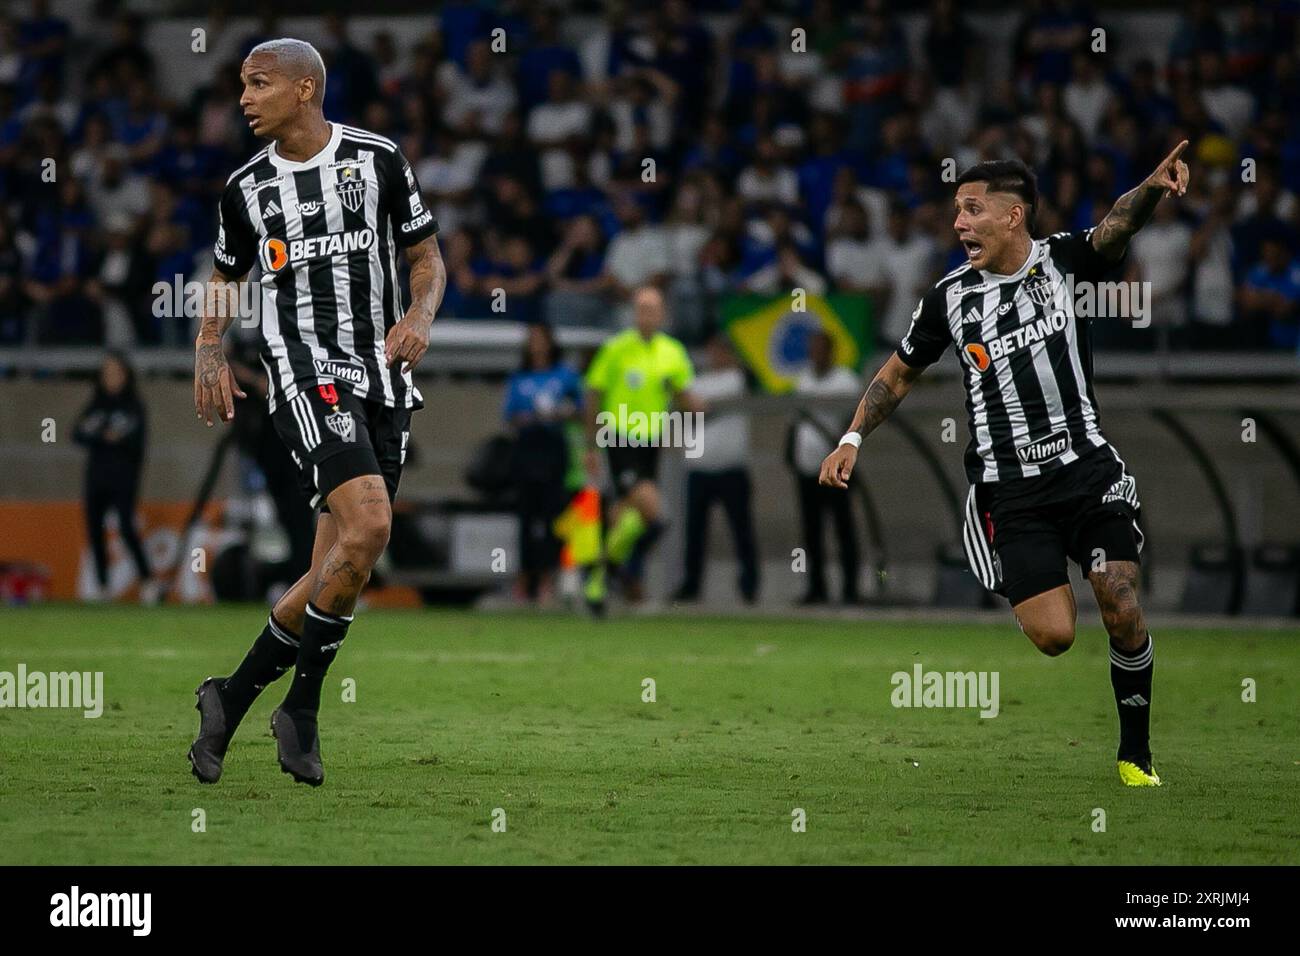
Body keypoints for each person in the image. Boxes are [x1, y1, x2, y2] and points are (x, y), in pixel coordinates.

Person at [820, 147, 1191, 788]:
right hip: (1011, 489)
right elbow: (898, 374)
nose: (958, 223)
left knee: (1120, 602)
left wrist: (1152, 189)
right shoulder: (949, 298)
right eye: (955, 211)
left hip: (1089, 474)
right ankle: (996, 541)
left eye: (971, 209)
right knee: (1054, 636)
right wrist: (852, 436)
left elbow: (1114, 228)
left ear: (1013, 215)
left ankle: (1135, 756)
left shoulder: (1064, 263)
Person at [188, 38, 446, 787]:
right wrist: (209, 345)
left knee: (342, 564)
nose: (243, 97)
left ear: (305, 89)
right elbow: (224, 275)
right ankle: (300, 711)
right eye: (240, 84)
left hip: (383, 375)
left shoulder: (378, 159)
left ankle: (231, 700)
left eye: (258, 83)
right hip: (304, 374)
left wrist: (422, 315)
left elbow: (427, 256)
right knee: (370, 527)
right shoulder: (244, 188)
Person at [582, 285, 697, 610]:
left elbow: (683, 394)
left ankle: (597, 578)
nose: (646, 315)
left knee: (627, 519)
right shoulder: (617, 349)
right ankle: (621, 572)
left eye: (653, 309)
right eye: (641, 309)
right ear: (634, 313)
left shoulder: (672, 352)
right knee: (656, 514)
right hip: (620, 439)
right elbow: (594, 395)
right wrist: (590, 445)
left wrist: (697, 406)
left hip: (651, 444)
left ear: (662, 314)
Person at [673, 334, 759, 604]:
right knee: (695, 532)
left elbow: (757, 381)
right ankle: (691, 584)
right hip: (700, 469)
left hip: (731, 468)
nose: (717, 356)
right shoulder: (696, 382)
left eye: (723, 351)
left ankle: (749, 585)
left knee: (742, 530)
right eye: (714, 351)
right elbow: (681, 403)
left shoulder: (738, 379)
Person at [503, 323, 583, 602]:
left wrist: (562, 412)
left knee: (553, 516)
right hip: (527, 449)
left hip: (553, 449)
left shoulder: (564, 375)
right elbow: (510, 415)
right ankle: (525, 581)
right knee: (526, 518)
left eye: (541, 339)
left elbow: (581, 408)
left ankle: (549, 579)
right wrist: (530, 417)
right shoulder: (520, 376)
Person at [73, 351, 156, 602]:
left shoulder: (134, 406)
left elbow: (134, 440)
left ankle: (147, 580)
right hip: (96, 477)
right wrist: (105, 436)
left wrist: (104, 436)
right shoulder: (96, 404)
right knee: (94, 531)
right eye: (107, 373)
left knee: (126, 528)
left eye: (116, 373)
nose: (111, 379)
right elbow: (77, 433)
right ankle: (102, 585)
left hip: (123, 477)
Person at [790, 329, 862, 605]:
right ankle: (816, 587)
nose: (814, 353)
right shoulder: (802, 379)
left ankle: (850, 589)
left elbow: (854, 424)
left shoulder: (845, 382)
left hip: (837, 469)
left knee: (844, 528)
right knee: (811, 532)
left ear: (830, 350)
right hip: (806, 467)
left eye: (819, 347)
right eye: (811, 347)